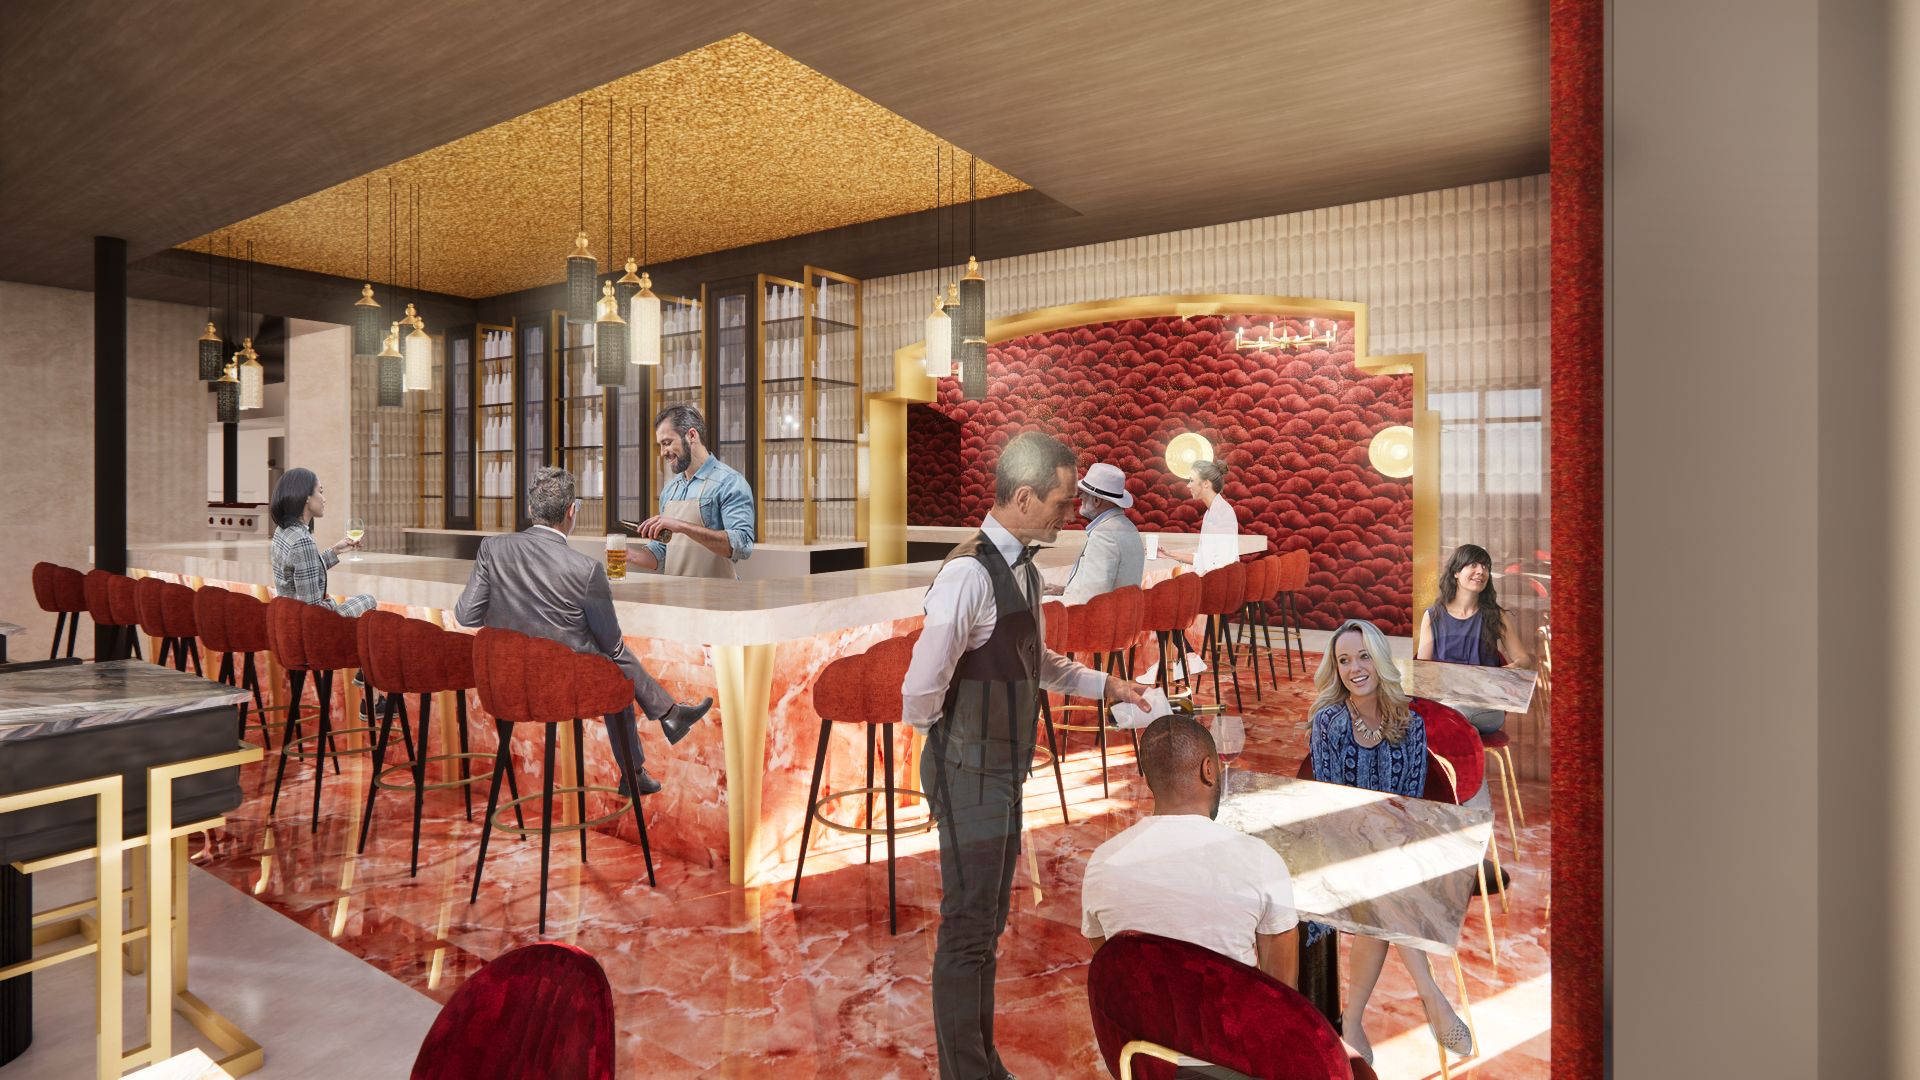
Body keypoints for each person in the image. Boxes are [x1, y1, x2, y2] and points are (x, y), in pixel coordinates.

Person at [902, 431, 1149, 1080]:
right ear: (1023, 498)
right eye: (1062, 501)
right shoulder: (968, 574)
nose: (1070, 512)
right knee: (968, 929)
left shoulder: (1026, 569)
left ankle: (982, 1062)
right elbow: (919, 690)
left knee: (988, 923)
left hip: (1002, 769)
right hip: (970, 771)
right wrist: (954, 747)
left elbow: (1037, 661)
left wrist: (1109, 685)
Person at [454, 466, 711, 796]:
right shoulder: (586, 570)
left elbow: (466, 614)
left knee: (608, 663)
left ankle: (666, 722)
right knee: (613, 665)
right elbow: (612, 643)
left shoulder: (492, 548)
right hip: (565, 688)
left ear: (531, 508)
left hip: (506, 684)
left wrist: (509, 611)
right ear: (571, 511)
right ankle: (643, 756)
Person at [1307, 618, 1473, 1065]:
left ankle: (1352, 1019)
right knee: (1386, 888)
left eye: (1363, 656)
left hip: (1395, 849)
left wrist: (1389, 842)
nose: (1354, 668)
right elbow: (1330, 804)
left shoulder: (1410, 723)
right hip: (1341, 847)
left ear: (1380, 659)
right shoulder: (1328, 722)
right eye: (1344, 660)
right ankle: (1431, 995)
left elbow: (1409, 805)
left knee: (1384, 891)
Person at [1082, 714, 1299, 986]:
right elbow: (1283, 994)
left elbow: (1112, 966)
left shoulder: (1101, 864)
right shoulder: (1261, 860)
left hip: (1140, 1015)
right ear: (1208, 770)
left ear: (1148, 780)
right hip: (1227, 1013)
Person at [1415, 543, 1535, 735]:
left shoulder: (1495, 616)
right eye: (1473, 565)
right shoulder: (1433, 616)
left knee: (1453, 718)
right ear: (1456, 572)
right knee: (1458, 723)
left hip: (1485, 706)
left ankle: (1456, 734)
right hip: (1445, 701)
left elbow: (1524, 660)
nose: (1481, 571)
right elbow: (1423, 673)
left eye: (1485, 567)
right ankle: (1466, 739)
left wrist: (1505, 672)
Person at [627, 404, 755, 580]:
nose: (663, 452)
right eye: (660, 445)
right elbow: (663, 551)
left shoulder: (730, 482)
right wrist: (629, 555)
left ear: (691, 435)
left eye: (667, 443)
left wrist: (681, 526)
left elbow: (743, 545)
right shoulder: (670, 490)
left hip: (718, 595)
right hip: (675, 594)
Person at [1155, 458, 1238, 681]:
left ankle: (1185, 658)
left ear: (1206, 484)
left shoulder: (1220, 514)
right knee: (1164, 602)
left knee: (1161, 606)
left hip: (1218, 589)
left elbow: (1216, 565)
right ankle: (1186, 658)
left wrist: (1190, 581)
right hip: (1217, 583)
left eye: (1192, 480)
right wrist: (1170, 555)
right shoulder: (1215, 511)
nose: (1188, 485)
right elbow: (1205, 558)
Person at [269, 467, 375, 616]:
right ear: (306, 497)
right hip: (310, 625)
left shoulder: (283, 530)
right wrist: (332, 603)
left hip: (287, 618)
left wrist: (335, 551)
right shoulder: (302, 541)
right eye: (320, 492)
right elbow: (312, 612)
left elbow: (304, 570)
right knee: (369, 600)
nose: (324, 499)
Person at [1049, 462, 1145, 606]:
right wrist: (1065, 590)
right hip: (1121, 614)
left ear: (1096, 500)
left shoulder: (1104, 535)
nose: (1080, 497)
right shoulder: (1128, 528)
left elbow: (1093, 600)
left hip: (1097, 617)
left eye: (1084, 493)